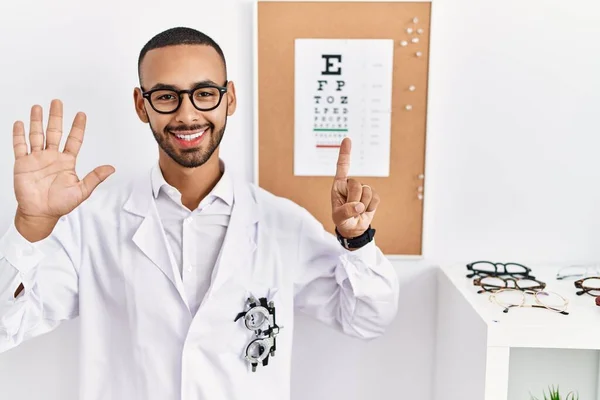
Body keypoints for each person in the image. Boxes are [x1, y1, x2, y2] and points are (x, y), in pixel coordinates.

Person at [0, 27, 399, 400]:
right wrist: (31, 225)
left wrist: (358, 242)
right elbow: (6, 326)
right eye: (167, 96)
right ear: (142, 105)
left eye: (205, 93)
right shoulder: (93, 223)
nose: (187, 115)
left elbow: (367, 319)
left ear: (230, 98)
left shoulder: (282, 224)